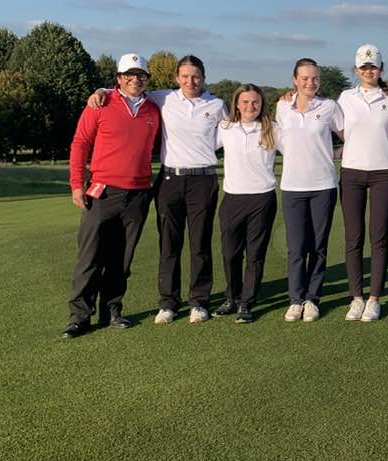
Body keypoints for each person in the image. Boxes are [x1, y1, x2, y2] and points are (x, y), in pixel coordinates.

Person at [88, 55, 228, 325]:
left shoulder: (217, 105)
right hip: (170, 180)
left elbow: (232, 130)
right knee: (169, 244)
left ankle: (199, 302)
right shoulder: (163, 98)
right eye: (185, 76)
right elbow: (127, 91)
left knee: (200, 244)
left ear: (203, 78)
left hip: (203, 180)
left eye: (195, 76)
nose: (190, 81)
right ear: (176, 78)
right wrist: (101, 90)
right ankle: (168, 303)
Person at [63, 53, 161, 337]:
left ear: (146, 79)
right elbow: (80, 143)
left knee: (122, 259)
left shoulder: (153, 110)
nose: (135, 79)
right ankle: (79, 316)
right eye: (128, 74)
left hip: (138, 195)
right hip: (102, 192)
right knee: (90, 257)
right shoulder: (100, 103)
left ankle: (112, 310)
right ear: (118, 78)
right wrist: (76, 184)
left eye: (140, 75)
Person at [271, 58, 344, 323]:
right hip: (293, 186)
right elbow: (281, 142)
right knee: (296, 247)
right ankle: (295, 299)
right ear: (295, 80)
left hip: (323, 185)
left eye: (315, 78)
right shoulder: (282, 106)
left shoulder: (329, 106)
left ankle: (312, 298)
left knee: (318, 246)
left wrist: (337, 153)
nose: (310, 83)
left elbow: (349, 136)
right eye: (305, 78)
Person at [337, 45, 388, 322]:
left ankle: (374, 299)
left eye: (373, 66)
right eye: (364, 67)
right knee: (353, 238)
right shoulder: (345, 97)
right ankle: (356, 298)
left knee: (379, 238)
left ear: (380, 69)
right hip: (351, 173)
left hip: (383, 173)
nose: (368, 71)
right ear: (356, 70)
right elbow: (337, 127)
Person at [215, 84, 280, 323]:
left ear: (262, 104)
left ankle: (247, 302)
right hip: (232, 198)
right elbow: (201, 145)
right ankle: (232, 297)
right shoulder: (225, 127)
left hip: (262, 198)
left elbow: (296, 150)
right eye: (245, 102)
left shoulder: (272, 129)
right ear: (236, 104)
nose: (250, 106)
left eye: (255, 102)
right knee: (230, 254)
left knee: (255, 255)